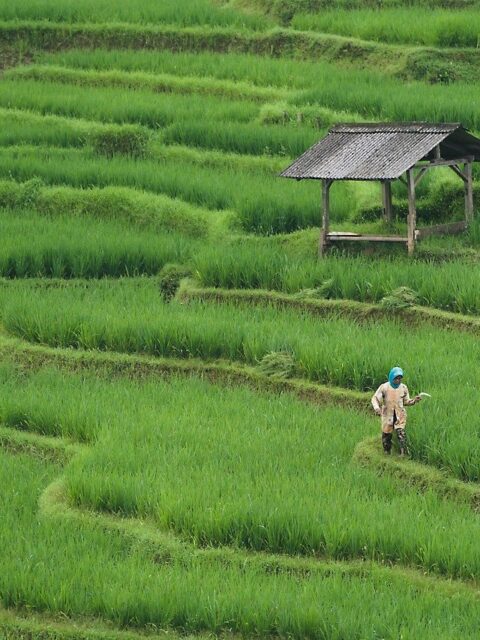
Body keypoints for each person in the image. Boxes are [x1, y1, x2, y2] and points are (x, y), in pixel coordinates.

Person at [371, 366, 422, 456]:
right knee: (387, 434)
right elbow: (375, 398)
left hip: (400, 414)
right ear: (391, 377)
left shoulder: (403, 388)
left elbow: (406, 401)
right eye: (396, 378)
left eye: (400, 379)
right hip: (388, 414)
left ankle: (403, 453)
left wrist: (414, 400)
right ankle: (387, 452)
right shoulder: (384, 387)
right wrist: (377, 408)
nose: (398, 381)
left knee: (401, 433)